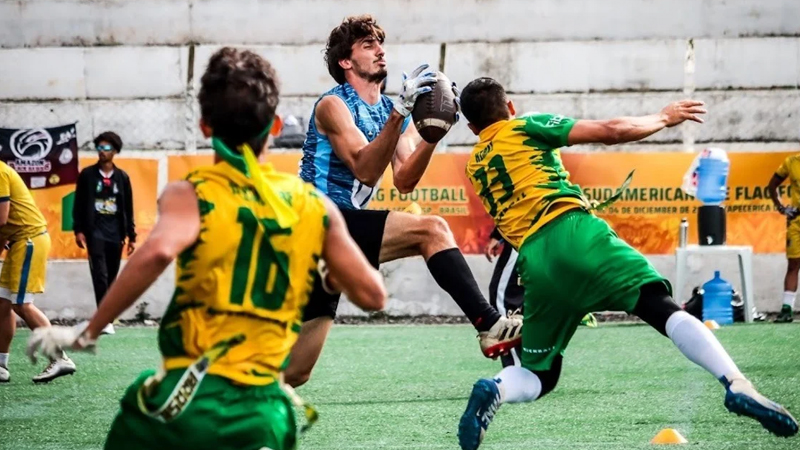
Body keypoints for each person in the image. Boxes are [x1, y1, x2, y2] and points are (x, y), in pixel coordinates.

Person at [26, 47, 387, 450]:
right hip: (267, 411)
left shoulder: (191, 194)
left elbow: (158, 253)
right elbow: (373, 295)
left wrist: (87, 331)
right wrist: (331, 273)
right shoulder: (313, 205)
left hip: (190, 399)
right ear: (276, 125)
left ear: (203, 126)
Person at [455, 77, 798, 450]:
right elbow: (610, 130)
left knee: (539, 376)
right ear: (510, 108)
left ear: (472, 128)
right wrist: (664, 118)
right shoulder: (525, 125)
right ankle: (736, 383)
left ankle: (496, 389)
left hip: (535, 262)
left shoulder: (476, 164)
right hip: (575, 231)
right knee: (661, 308)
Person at [288, 15, 522, 387]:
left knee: (295, 373)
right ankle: (489, 324)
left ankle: (222, 402)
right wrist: (400, 113)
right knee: (432, 229)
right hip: (314, 221)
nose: (380, 51)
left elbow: (405, 180)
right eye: (368, 45)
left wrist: (434, 131)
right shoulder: (333, 105)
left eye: (380, 44)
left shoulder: (388, 112)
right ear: (345, 62)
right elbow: (365, 169)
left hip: (336, 234)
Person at [0, 161, 75, 383]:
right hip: (18, 241)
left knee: (21, 304)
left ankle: (60, 358)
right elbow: (6, 225)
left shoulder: (0, 172)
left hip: (29, 240)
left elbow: (1, 219)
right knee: (2, 302)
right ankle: (1, 366)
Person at [73, 131, 136, 335]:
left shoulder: (122, 177)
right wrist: (79, 230)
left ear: (115, 151)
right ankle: (104, 319)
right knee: (99, 275)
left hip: (116, 233)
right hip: (95, 232)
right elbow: (79, 204)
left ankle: (107, 317)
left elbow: (128, 207)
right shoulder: (87, 175)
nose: (102, 152)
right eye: (99, 147)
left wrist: (131, 236)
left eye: (106, 148)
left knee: (111, 277)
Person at [767, 156, 800, 323]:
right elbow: (772, 185)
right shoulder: (791, 162)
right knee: (794, 263)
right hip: (797, 221)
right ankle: (787, 309)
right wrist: (781, 207)